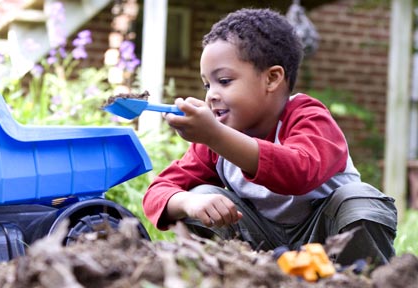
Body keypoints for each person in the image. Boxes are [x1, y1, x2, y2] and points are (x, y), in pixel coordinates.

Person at [142, 8, 397, 266]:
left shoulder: (309, 117)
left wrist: (216, 136)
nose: (211, 95)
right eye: (208, 84)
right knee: (201, 195)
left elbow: (299, 172)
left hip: (326, 240)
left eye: (225, 80)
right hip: (257, 247)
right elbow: (158, 192)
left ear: (272, 78)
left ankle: (367, 286)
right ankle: (225, 286)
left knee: (359, 200)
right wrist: (188, 202)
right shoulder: (213, 141)